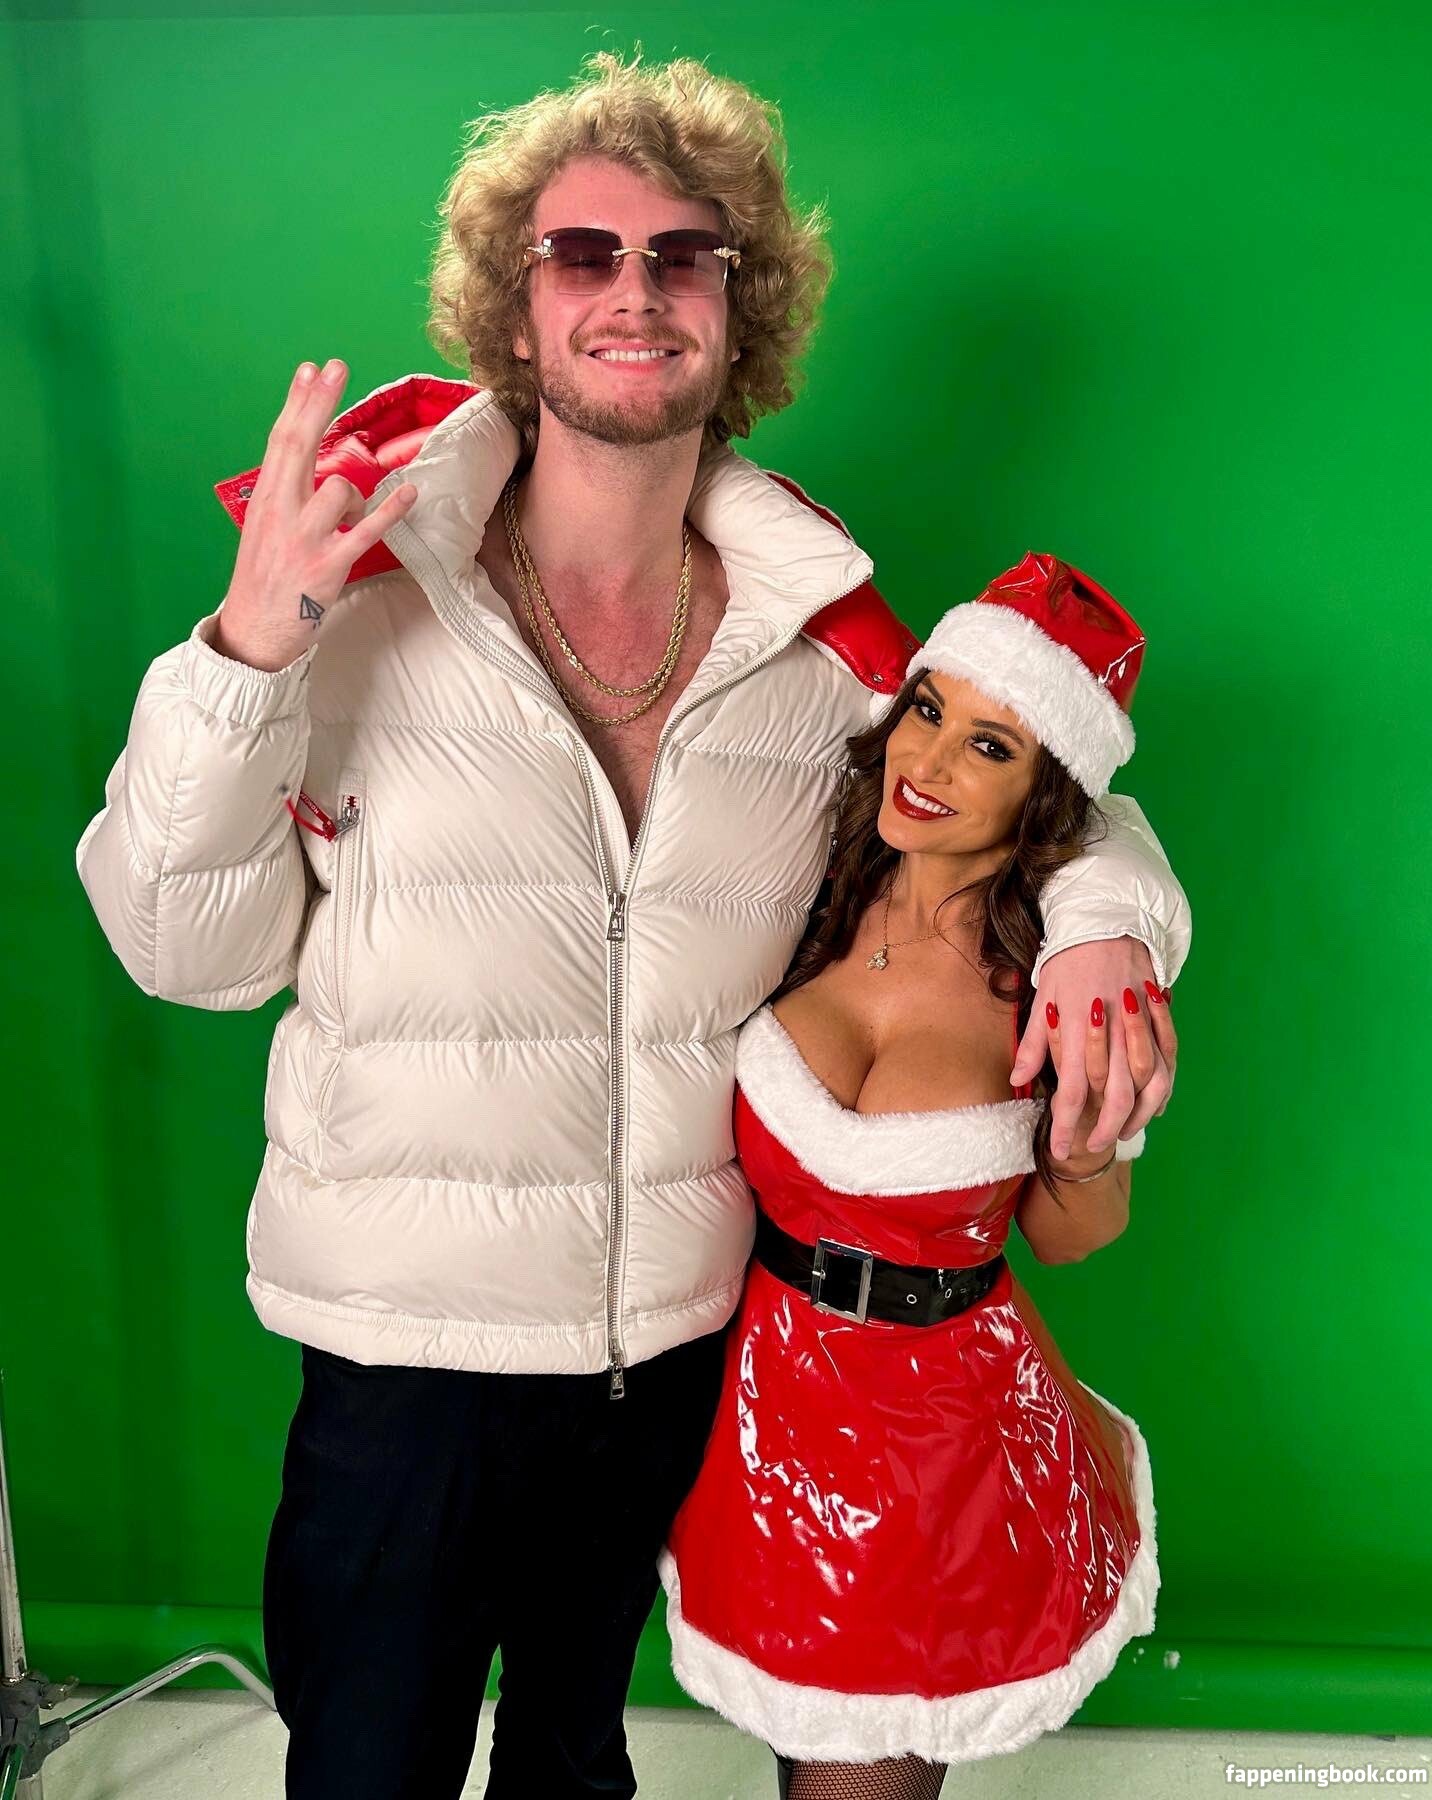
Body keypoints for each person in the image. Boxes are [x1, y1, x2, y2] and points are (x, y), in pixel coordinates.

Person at [73, 49, 1188, 1800]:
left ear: (741, 318)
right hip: (409, 1349)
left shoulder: (819, 647)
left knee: (576, 1766)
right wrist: (244, 656)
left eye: (687, 257)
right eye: (583, 253)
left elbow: (1026, 777)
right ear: (514, 313)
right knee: (367, 1774)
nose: (636, 290)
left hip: (670, 1346)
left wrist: (1107, 925)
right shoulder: (356, 594)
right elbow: (180, 947)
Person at [660, 553, 1166, 1800]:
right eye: (927, 711)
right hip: (758, 1403)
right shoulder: (804, 880)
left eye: (990, 748)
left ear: (1047, 792)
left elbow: (1073, 1235)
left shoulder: (1067, 974)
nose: (928, 763)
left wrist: (1085, 1144)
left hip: (945, 1448)